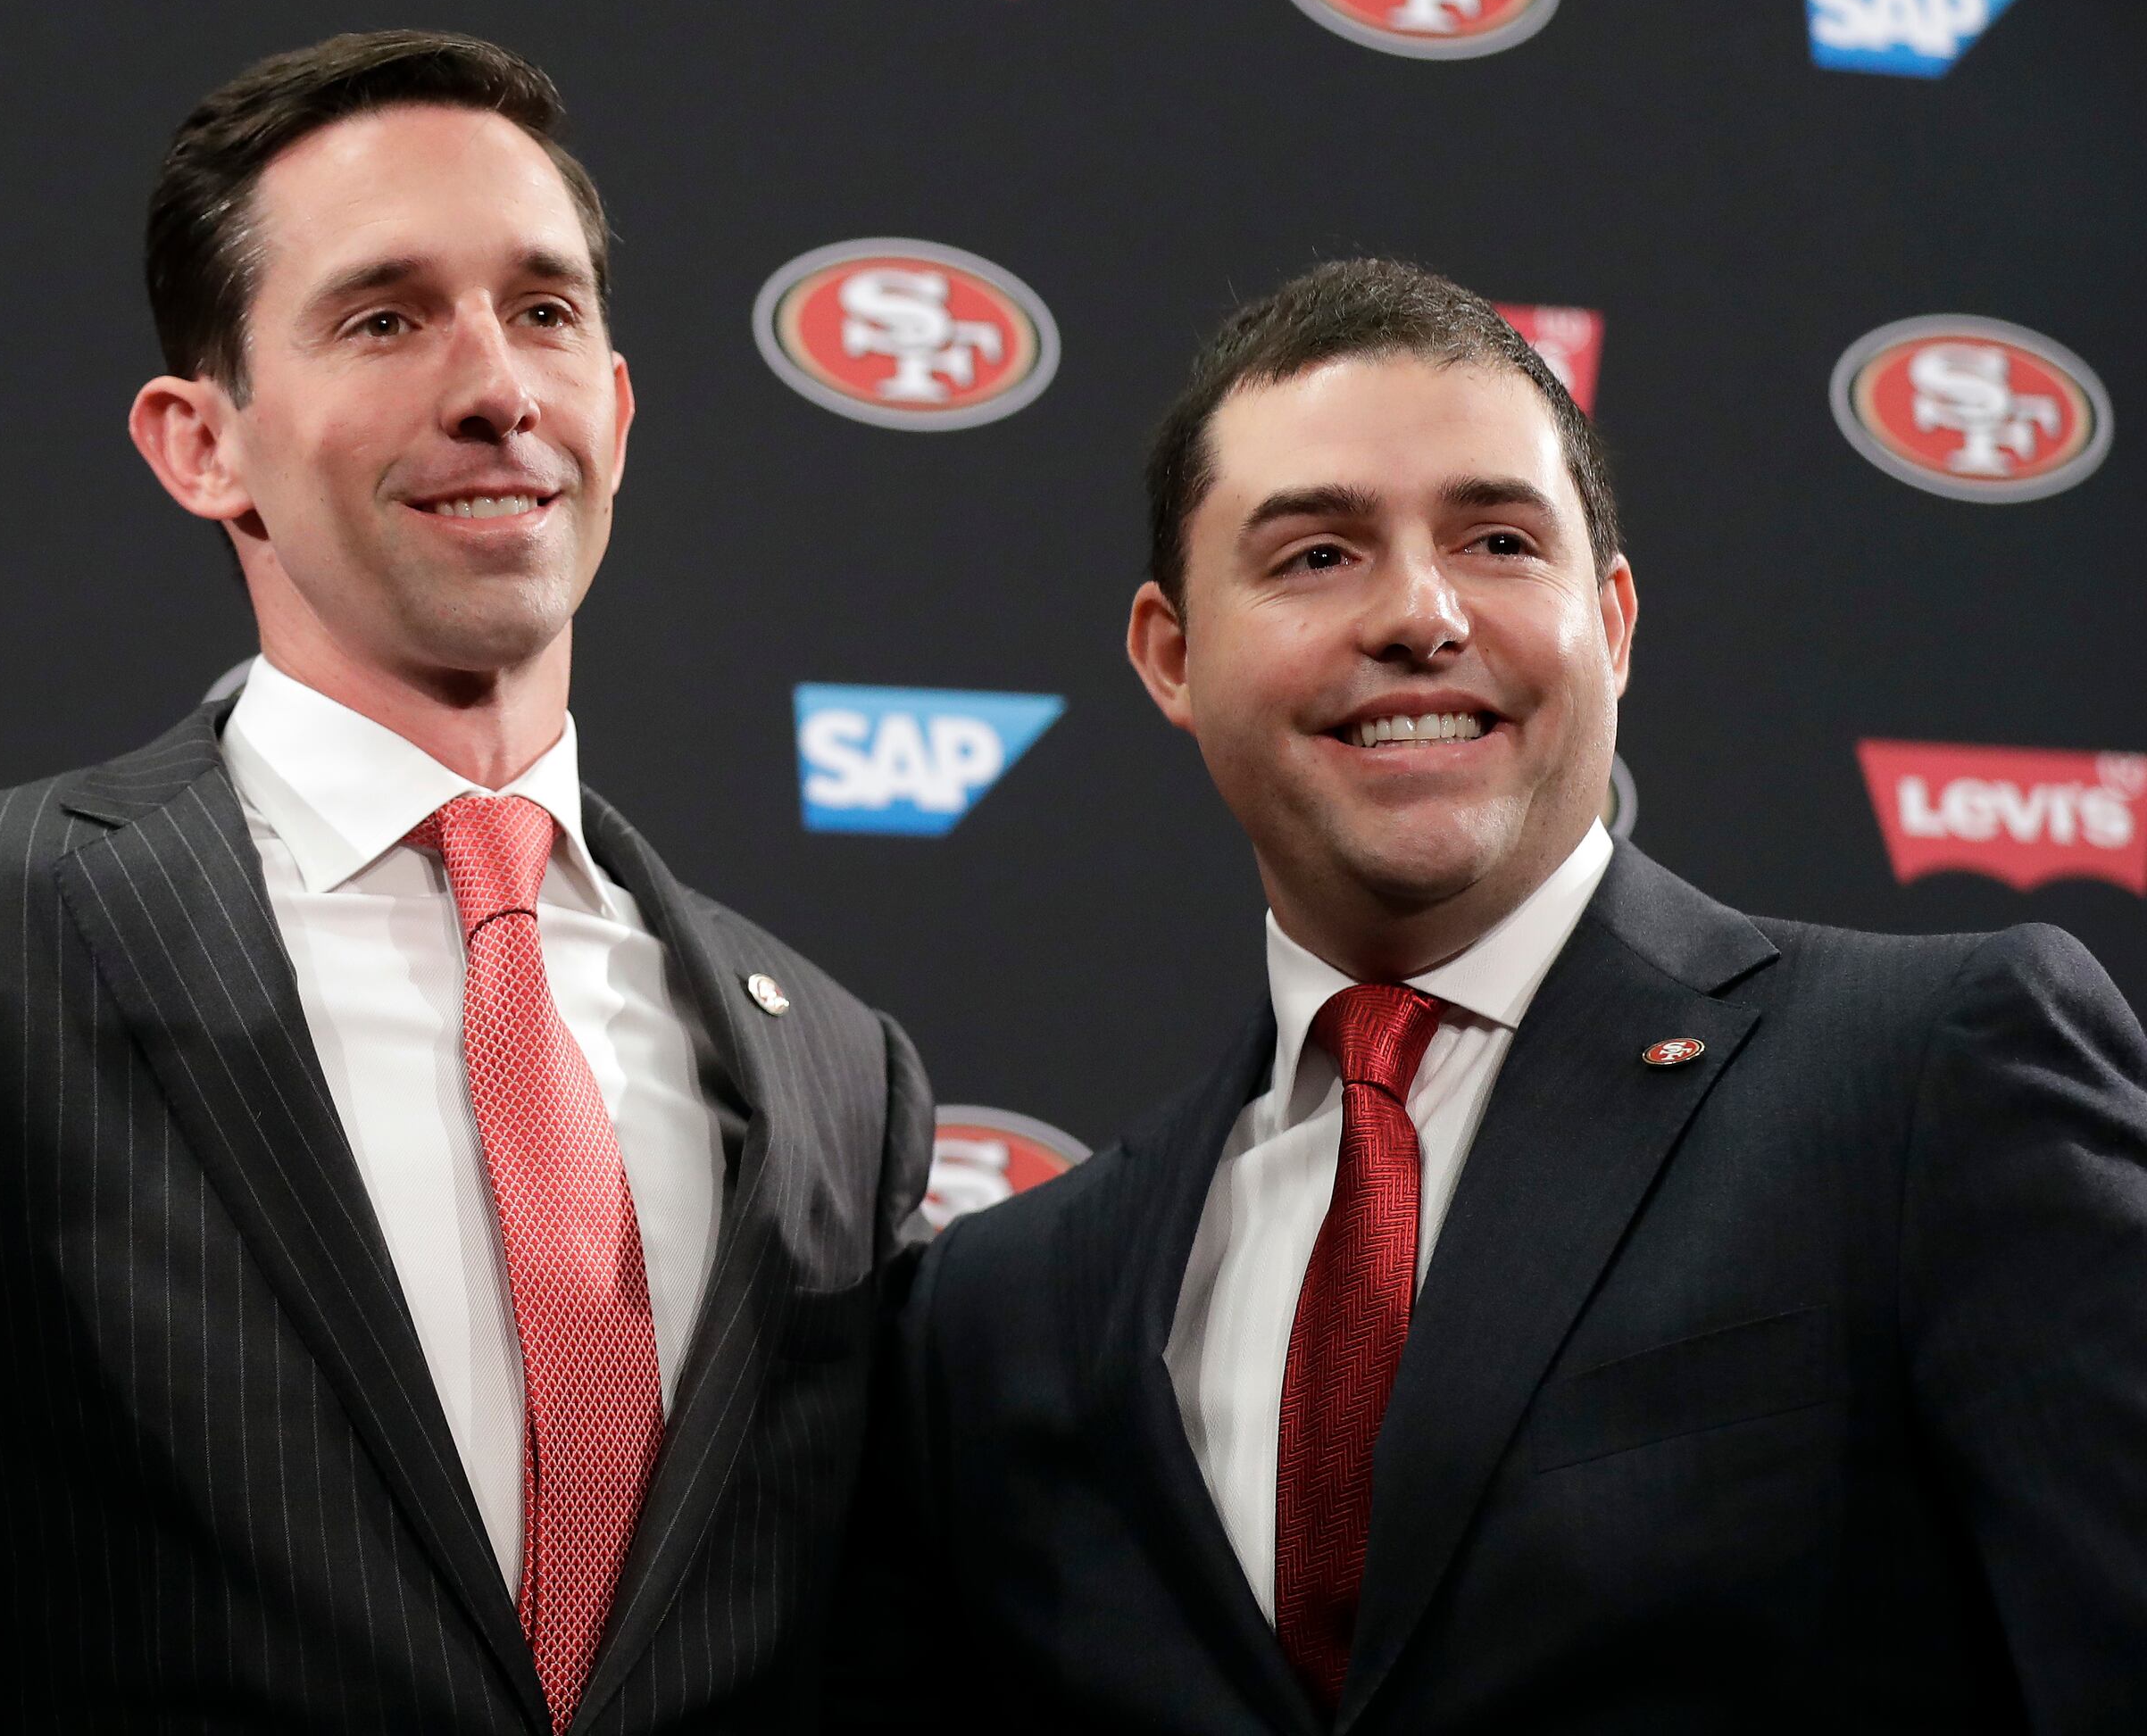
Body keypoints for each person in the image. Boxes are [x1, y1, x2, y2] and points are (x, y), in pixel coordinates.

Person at [837, 259, 2147, 1732]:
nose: (1420, 614)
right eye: (1317, 555)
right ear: (1172, 656)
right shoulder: (998, 1312)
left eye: (1500, 540)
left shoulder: (1931, 1079)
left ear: (1617, 621)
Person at [0, 30, 934, 1733]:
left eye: (547, 312)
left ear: (618, 413)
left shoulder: (836, 1066)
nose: (497, 388)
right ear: (203, 444)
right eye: (386, 317)